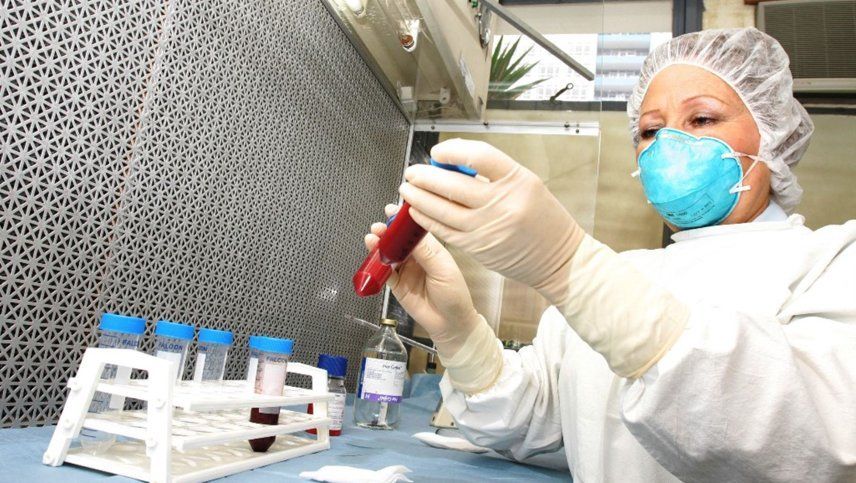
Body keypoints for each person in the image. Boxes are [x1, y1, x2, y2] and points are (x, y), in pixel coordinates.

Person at [364, 28, 856, 481]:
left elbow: (818, 443)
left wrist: (569, 267)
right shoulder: (626, 272)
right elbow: (533, 426)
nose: (668, 144)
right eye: (650, 130)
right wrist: (460, 334)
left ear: (774, 135)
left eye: (702, 118)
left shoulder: (832, 262)